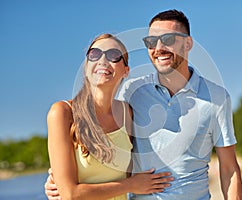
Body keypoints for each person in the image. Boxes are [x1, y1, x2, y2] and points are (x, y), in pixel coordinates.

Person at [46, 10, 242, 199]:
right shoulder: (131, 93)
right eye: (151, 41)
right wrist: (58, 180)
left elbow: (229, 168)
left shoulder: (217, 98)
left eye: (168, 39)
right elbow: (97, 144)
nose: (158, 48)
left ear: (188, 44)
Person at [46, 33, 173, 200]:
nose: (102, 60)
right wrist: (132, 185)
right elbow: (70, 194)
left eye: (113, 55)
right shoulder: (63, 112)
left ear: (126, 71)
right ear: (86, 66)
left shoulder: (127, 113)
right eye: (95, 54)